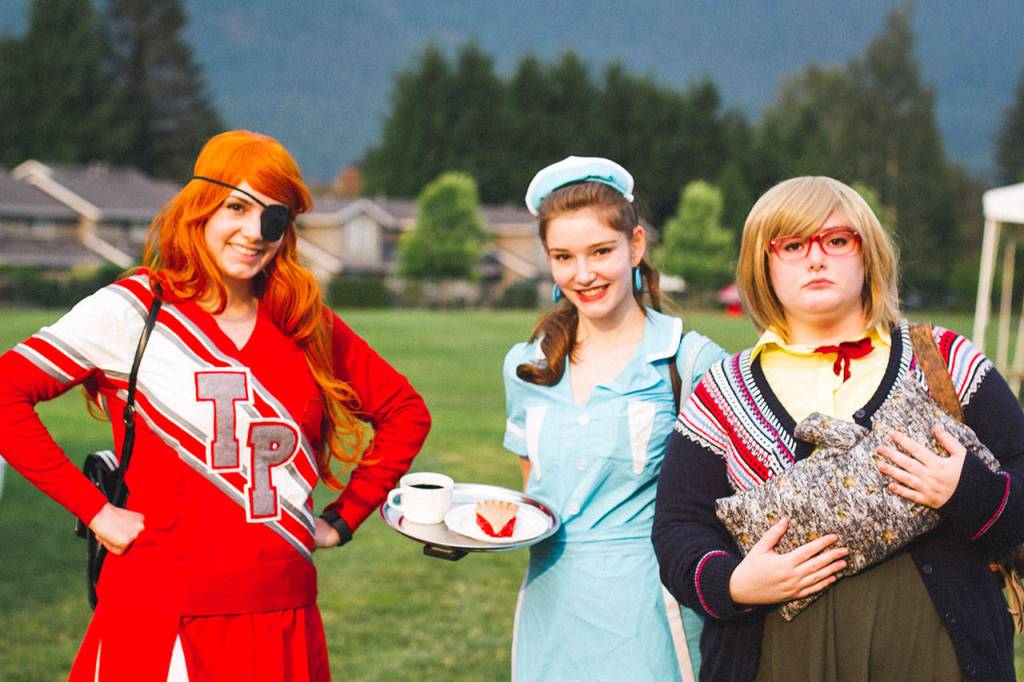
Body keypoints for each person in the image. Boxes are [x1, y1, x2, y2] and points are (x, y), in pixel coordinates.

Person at [0, 130, 431, 680]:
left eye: (274, 217)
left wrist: (342, 519)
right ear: (200, 206)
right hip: (159, 616)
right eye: (237, 207)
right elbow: (6, 393)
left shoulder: (303, 322)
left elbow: (405, 412)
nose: (255, 233)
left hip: (282, 614)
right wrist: (96, 511)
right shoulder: (135, 310)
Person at [652, 176, 1024, 681]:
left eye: (836, 241)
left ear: (867, 254)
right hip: (778, 660)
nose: (816, 258)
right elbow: (678, 527)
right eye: (793, 244)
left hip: (941, 659)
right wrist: (734, 583)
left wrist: (966, 491)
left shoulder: (945, 361)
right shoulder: (724, 392)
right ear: (763, 263)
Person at [503, 156, 726, 681]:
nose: (583, 274)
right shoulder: (526, 366)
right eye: (564, 256)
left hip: (652, 613)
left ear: (636, 246)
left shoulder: (689, 361)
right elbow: (534, 496)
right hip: (550, 610)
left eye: (600, 251)